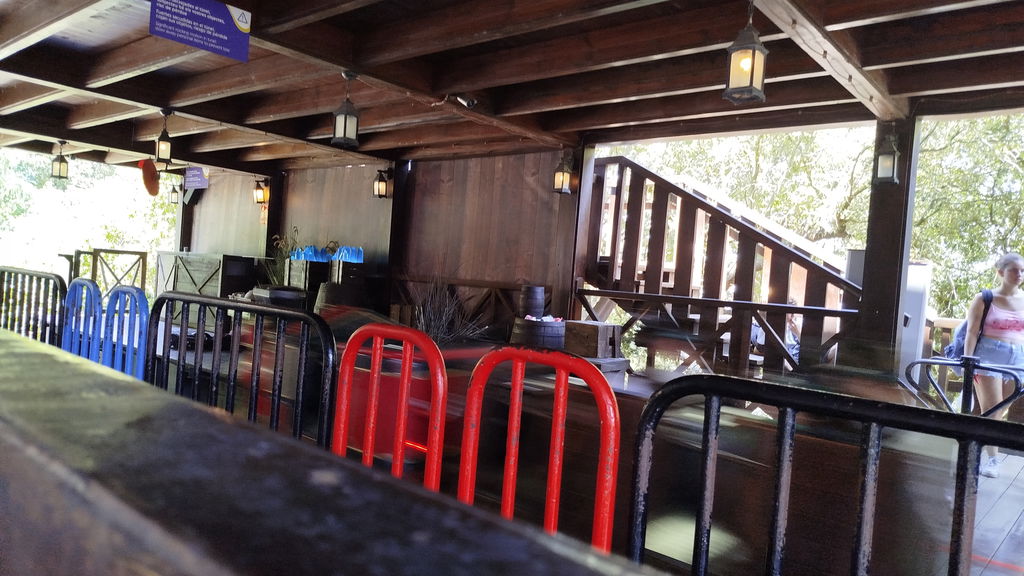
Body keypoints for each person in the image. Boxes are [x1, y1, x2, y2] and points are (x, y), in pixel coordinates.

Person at [963, 252, 1024, 478]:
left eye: (1022, 270)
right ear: (1001, 272)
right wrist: (968, 361)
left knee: (999, 410)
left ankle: (973, 444)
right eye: (1014, 270)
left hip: (1017, 360)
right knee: (992, 408)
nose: (1019, 274)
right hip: (988, 357)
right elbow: (971, 332)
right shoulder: (984, 298)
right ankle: (993, 460)